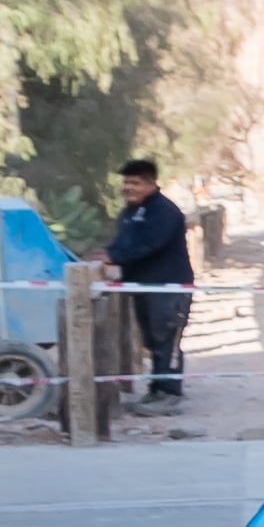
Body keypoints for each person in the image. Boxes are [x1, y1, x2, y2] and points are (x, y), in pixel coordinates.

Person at [95, 155, 195, 404]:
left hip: (168, 287)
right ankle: (156, 389)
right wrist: (107, 253)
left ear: (151, 184)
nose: (129, 187)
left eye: (136, 183)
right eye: (126, 182)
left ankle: (170, 393)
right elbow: (122, 242)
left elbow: (149, 244)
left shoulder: (164, 211)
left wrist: (114, 256)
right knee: (151, 340)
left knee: (167, 339)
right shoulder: (130, 212)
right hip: (144, 287)